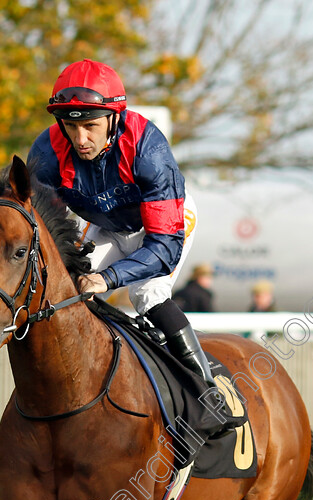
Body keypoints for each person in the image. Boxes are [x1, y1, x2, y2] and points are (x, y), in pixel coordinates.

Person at [27, 59, 218, 387]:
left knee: (146, 293)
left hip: (160, 230)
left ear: (115, 117)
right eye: (71, 126)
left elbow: (164, 247)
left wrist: (108, 278)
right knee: (67, 287)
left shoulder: (149, 149)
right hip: (107, 226)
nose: (80, 138)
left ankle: (206, 392)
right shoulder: (46, 152)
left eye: (91, 126)